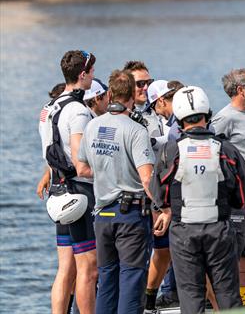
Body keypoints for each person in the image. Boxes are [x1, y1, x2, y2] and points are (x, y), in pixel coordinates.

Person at [152, 86, 245, 313]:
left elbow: (159, 195)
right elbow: (243, 197)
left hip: (183, 231)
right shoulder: (226, 149)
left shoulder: (171, 151)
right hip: (219, 230)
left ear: (178, 119)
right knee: (227, 294)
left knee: (191, 296)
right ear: (207, 114)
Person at [75, 69, 162, 314]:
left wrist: (107, 171)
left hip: (102, 216)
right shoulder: (136, 130)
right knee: (132, 281)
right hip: (131, 216)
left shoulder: (92, 126)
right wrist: (162, 208)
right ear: (132, 97)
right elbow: (147, 178)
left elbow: (81, 168)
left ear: (111, 93)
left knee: (107, 281)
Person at [38, 50, 98, 314]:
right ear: (82, 75)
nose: (93, 77)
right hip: (79, 193)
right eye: (92, 72)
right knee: (89, 268)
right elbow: (81, 163)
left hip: (57, 192)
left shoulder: (47, 108)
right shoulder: (78, 110)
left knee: (65, 268)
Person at [210, 68, 245, 305]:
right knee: (233, 250)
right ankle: (226, 300)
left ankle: (243, 298)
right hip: (239, 197)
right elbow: (211, 149)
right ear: (240, 90)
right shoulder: (225, 117)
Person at [142, 79, 183, 313]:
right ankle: (150, 301)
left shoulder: (176, 124)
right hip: (171, 198)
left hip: (174, 198)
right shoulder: (175, 122)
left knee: (166, 251)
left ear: (160, 102)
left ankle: (150, 302)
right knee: (163, 251)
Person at [123, 61, 161, 138]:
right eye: (141, 83)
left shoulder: (160, 110)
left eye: (149, 82)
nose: (146, 88)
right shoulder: (120, 114)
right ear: (127, 85)